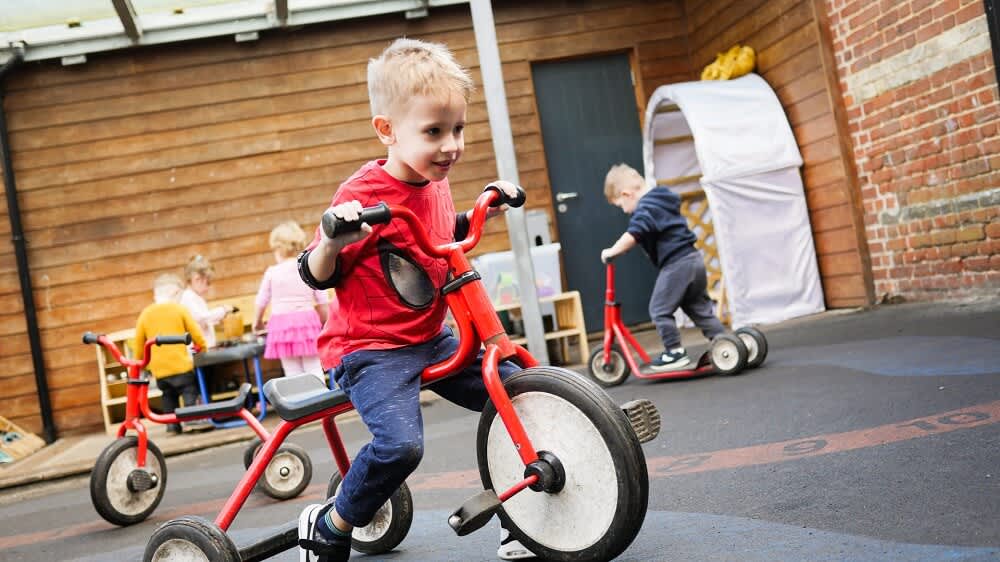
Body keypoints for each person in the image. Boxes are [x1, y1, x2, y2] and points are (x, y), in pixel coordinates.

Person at [294, 38, 528, 562]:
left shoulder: (433, 179)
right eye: (434, 132)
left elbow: (440, 234)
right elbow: (313, 272)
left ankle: (521, 516)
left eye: (458, 130)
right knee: (401, 447)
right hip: (369, 348)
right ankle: (331, 522)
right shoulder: (362, 194)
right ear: (387, 130)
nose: (450, 146)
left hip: (430, 337)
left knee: (520, 396)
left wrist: (485, 207)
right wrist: (335, 239)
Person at [600, 163, 726, 372]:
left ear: (627, 194)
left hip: (677, 264)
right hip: (693, 260)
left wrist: (612, 251)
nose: (624, 211)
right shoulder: (662, 199)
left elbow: (635, 232)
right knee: (698, 308)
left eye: (621, 205)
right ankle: (726, 344)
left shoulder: (647, 207)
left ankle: (674, 352)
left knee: (659, 309)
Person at [254, 220, 329, 383]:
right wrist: (325, 321)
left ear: (279, 249)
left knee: (292, 371)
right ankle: (320, 403)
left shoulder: (272, 272)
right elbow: (323, 300)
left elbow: (261, 301)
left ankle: (300, 405)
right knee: (314, 367)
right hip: (307, 323)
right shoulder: (307, 266)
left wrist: (257, 323)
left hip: (281, 327)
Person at [133, 273, 209, 434]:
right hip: (181, 365)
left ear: (156, 294)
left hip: (160, 370)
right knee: (189, 392)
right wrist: (202, 347)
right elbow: (195, 332)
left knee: (168, 396)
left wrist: (141, 363)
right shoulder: (178, 309)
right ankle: (192, 421)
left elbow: (138, 343)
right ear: (175, 293)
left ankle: (172, 426)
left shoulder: (145, 314)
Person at [180, 254, 233, 349]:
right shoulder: (188, 298)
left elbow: (201, 322)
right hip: (197, 350)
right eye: (207, 283)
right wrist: (223, 310)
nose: (208, 288)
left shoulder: (196, 297)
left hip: (205, 347)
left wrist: (217, 321)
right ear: (196, 279)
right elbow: (202, 317)